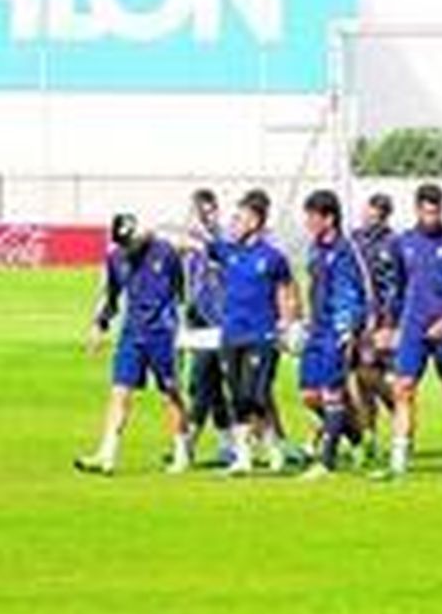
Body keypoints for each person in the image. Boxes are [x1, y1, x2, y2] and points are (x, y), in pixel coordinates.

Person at [189, 190, 299, 476]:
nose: (233, 224)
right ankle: (244, 457)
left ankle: (274, 448)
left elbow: (287, 290)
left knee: (257, 396)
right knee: (237, 397)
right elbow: (194, 242)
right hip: (231, 335)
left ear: (254, 221)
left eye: (239, 219)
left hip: (261, 336)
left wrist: (288, 324)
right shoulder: (229, 251)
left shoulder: (273, 257)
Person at [74, 214, 190, 475]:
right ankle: (107, 454)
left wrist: (181, 327)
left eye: (130, 243)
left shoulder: (166, 252)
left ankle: (182, 450)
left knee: (170, 394)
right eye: (123, 244)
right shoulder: (116, 258)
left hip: (162, 333)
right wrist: (99, 325)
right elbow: (112, 296)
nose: (128, 249)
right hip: (131, 333)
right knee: (120, 391)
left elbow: (181, 292)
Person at [381, 183, 442, 478]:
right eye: (426, 211)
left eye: (436, 211)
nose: (431, 217)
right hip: (413, 325)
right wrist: (390, 324)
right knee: (403, 387)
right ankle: (398, 460)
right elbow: (396, 287)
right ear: (417, 210)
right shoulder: (403, 242)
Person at [298, 190, 372, 478]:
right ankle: (355, 437)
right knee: (309, 395)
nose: (308, 222)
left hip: (336, 331)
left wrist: (350, 329)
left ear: (329, 218)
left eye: (312, 217)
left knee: (332, 393)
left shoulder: (346, 250)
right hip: (316, 329)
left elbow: (360, 290)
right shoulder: (315, 249)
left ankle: (325, 462)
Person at [181, 188, 232, 465]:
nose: (202, 214)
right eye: (197, 208)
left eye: (207, 208)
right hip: (196, 315)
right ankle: (227, 444)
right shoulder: (188, 244)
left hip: (219, 318)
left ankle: (188, 444)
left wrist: (205, 238)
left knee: (200, 380)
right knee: (209, 382)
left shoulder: (222, 240)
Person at [350, 193, 400, 462]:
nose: (370, 217)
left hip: (380, 320)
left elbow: (394, 285)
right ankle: (369, 436)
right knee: (359, 379)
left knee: (370, 372)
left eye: (376, 214)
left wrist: (388, 321)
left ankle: (399, 410)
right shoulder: (355, 239)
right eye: (368, 212)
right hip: (356, 317)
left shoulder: (393, 243)